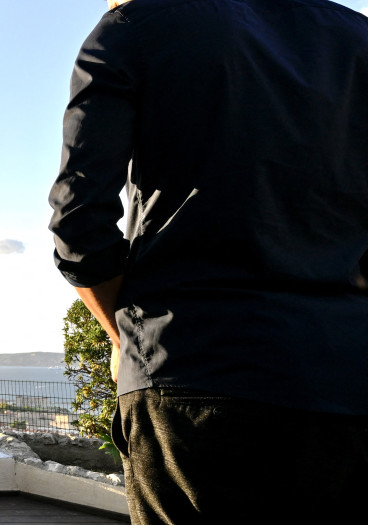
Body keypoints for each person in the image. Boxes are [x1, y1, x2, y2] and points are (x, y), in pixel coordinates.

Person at [48, 1, 368, 522]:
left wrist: (123, 336)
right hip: (350, 387)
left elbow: (78, 223)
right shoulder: (357, 38)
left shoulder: (138, 23)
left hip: (195, 373)